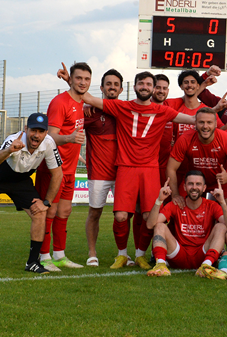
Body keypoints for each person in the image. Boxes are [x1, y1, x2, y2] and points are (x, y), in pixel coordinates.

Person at [81, 71, 195, 269]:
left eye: (148, 84)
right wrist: (73, 86)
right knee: (121, 216)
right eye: (141, 83)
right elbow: (88, 97)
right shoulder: (122, 106)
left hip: (149, 170)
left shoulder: (163, 111)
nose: (144, 86)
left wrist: (215, 111)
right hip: (125, 168)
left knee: (147, 216)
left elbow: (193, 119)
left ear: (152, 88)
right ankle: (122, 255)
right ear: (134, 87)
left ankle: (141, 255)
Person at [0, 113, 63, 275]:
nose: (36, 135)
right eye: (33, 130)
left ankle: (32, 262)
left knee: (39, 214)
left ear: (46, 133)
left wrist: (46, 203)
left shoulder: (49, 143)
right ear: (26, 129)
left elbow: (58, 174)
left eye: (41, 131)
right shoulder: (14, 140)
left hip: (20, 180)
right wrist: (9, 150)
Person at [36, 62, 90, 271]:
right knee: (49, 212)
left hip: (70, 168)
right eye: (78, 78)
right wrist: (69, 137)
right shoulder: (60, 102)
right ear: (72, 79)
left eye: (86, 79)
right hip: (52, 169)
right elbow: (48, 137)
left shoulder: (81, 102)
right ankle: (43, 256)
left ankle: (59, 255)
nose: (83, 82)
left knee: (64, 211)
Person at [145, 171, 227, 277]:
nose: (194, 187)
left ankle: (206, 266)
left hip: (203, 253)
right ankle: (160, 265)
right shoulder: (176, 204)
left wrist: (222, 202)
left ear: (204, 188)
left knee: (221, 226)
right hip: (178, 254)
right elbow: (150, 225)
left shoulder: (212, 205)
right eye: (191, 184)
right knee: (159, 226)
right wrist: (159, 200)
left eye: (198, 184)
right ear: (185, 187)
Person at [79, 69, 124, 267]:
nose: (112, 87)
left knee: (123, 215)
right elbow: (70, 113)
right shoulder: (89, 111)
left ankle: (122, 254)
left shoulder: (125, 110)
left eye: (116, 84)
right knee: (95, 213)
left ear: (121, 89)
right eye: (108, 83)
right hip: (98, 173)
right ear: (102, 87)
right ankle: (92, 253)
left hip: (123, 172)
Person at [167, 107, 227, 211]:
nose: (205, 126)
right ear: (195, 123)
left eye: (209, 122)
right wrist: (175, 195)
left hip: (221, 182)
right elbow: (170, 168)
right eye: (201, 122)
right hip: (193, 182)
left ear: (216, 124)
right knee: (178, 207)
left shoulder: (226, 139)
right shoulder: (185, 139)